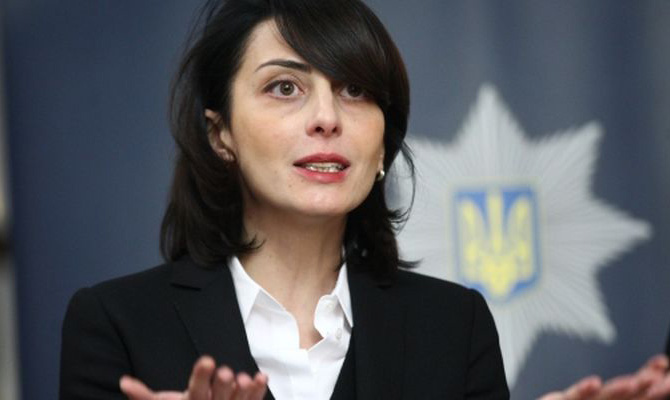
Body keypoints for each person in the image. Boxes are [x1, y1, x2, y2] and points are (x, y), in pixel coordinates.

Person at [59, 0, 509, 399]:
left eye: (354, 89)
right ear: (220, 133)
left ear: (382, 145)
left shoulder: (455, 326)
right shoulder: (117, 326)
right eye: (285, 87)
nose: (327, 118)